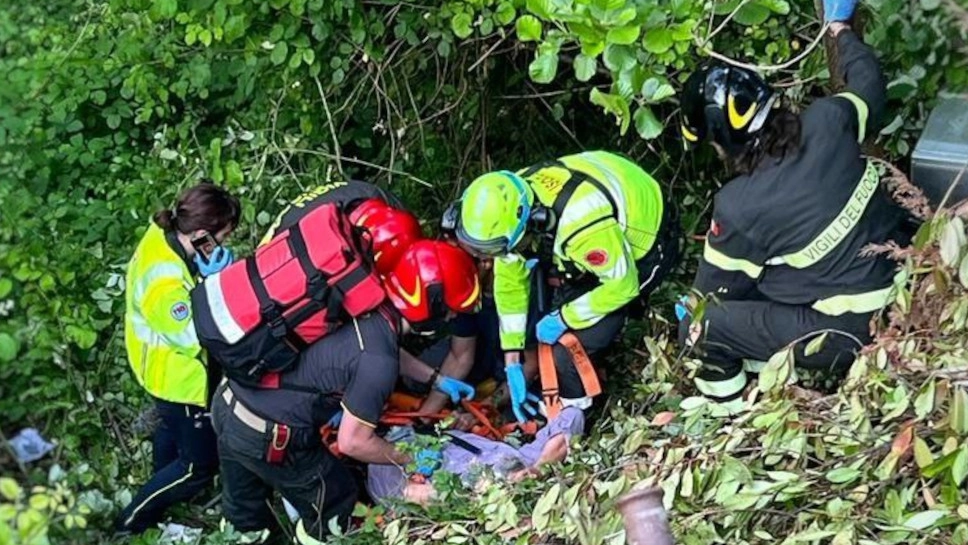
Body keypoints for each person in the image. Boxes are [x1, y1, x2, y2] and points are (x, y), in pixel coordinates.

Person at [675, 0, 907, 409]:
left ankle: (730, 416)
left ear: (721, 140)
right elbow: (868, 80)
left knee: (701, 328)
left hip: (851, 331)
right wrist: (839, 29)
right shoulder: (829, 119)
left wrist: (690, 309)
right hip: (908, 277)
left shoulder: (738, 206)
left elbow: (713, 292)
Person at [212, 240, 482, 543]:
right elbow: (353, 442)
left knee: (243, 517)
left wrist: (436, 379)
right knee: (336, 505)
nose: (449, 319)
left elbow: (377, 349)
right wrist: (409, 457)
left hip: (230, 402)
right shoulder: (377, 360)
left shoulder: (367, 301)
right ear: (430, 304)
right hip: (269, 436)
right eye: (448, 311)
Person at [449, 151, 679, 421]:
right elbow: (511, 286)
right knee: (562, 314)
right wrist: (512, 357)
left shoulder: (580, 224)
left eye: (492, 251)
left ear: (530, 224)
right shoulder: (512, 199)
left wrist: (564, 317)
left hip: (646, 242)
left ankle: (573, 421)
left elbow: (622, 284)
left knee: (566, 353)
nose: (486, 260)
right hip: (599, 238)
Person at [260, 179, 478, 408]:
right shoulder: (327, 285)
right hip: (273, 354)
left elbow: (374, 340)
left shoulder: (388, 217)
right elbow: (365, 346)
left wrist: (435, 380)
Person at [117, 182, 241, 533]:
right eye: (224, 235)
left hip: (159, 372)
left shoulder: (165, 233)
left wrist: (203, 270)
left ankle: (160, 482)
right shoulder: (165, 279)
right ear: (202, 232)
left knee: (170, 434)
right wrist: (213, 285)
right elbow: (192, 335)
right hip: (180, 379)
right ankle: (132, 520)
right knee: (197, 467)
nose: (224, 243)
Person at [367, 407, 585, 505]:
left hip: (514, 465)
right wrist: (483, 492)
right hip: (477, 488)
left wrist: (537, 468)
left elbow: (572, 417)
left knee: (573, 414)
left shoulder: (435, 432)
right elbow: (409, 495)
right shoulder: (381, 467)